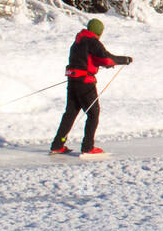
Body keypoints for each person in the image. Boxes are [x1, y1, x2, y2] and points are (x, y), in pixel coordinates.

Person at [50, 18, 133, 155]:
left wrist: (102, 64)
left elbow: (89, 59)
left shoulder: (77, 42)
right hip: (85, 82)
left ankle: (57, 145)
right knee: (93, 114)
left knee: (70, 113)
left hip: (73, 81)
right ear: (99, 32)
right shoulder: (92, 41)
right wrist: (124, 60)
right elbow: (106, 58)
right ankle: (88, 147)